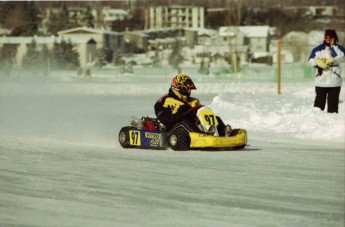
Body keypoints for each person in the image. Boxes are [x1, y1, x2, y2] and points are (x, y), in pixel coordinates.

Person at [154, 73, 232, 136]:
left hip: (191, 125)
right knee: (185, 121)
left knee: (216, 118)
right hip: (173, 128)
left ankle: (223, 132)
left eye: (188, 90)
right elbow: (163, 117)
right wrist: (181, 115)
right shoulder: (164, 100)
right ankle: (202, 136)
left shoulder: (193, 101)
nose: (188, 92)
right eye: (185, 89)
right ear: (176, 88)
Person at [308, 29, 345, 113]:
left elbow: (340, 57)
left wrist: (333, 47)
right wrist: (318, 63)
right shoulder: (318, 49)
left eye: (330, 37)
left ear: (334, 38)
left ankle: (331, 121)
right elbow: (310, 60)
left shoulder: (339, 48)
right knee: (319, 104)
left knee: (333, 104)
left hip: (335, 80)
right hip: (321, 79)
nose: (328, 39)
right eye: (326, 37)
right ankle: (316, 121)